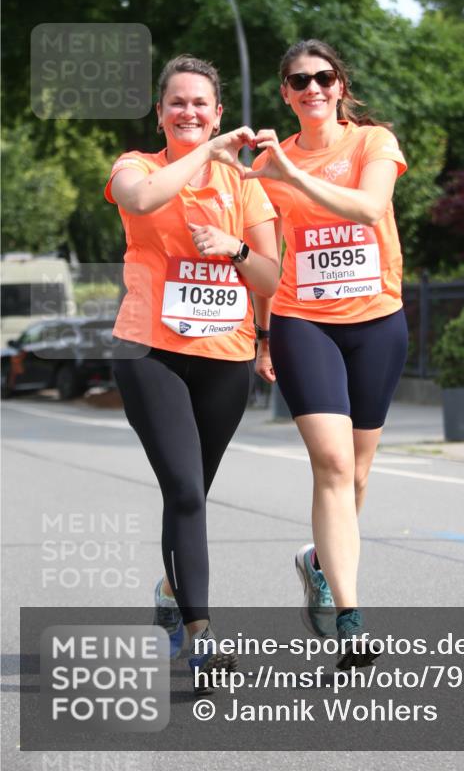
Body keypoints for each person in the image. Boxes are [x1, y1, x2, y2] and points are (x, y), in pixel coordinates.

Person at [105, 55, 279, 693]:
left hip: (225, 357)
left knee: (194, 495)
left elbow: (270, 275)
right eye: (176, 103)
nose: (188, 112)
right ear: (161, 113)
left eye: (200, 104)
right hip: (148, 348)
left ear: (218, 111)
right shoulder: (139, 165)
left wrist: (234, 250)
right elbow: (141, 199)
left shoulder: (245, 186)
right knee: (183, 489)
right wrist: (205, 154)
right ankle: (202, 637)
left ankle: (171, 587)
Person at [249, 39, 408, 669]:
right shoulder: (268, 161)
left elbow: (370, 209)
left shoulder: (373, 143)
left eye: (322, 77)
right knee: (334, 465)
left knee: (359, 474)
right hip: (302, 322)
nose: (312, 88)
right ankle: (351, 616)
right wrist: (263, 334)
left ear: (339, 86)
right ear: (285, 94)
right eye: (298, 81)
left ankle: (317, 561)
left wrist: (293, 176)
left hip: (376, 322)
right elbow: (266, 249)